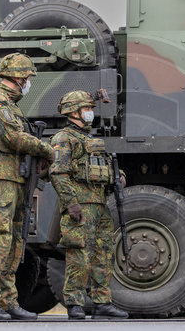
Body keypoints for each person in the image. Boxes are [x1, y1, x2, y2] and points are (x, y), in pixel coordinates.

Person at [0, 53, 54, 320]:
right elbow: (14, 138)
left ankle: (9, 301)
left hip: (15, 178)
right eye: (29, 78)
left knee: (14, 241)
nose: (30, 82)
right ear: (19, 77)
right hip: (0, 177)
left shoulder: (11, 105)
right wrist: (48, 149)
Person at [49, 90, 129, 320]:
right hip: (80, 206)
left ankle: (102, 302)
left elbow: (102, 168)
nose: (90, 113)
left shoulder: (90, 140)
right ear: (74, 112)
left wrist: (119, 176)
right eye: (86, 109)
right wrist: (71, 203)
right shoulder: (64, 139)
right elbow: (59, 173)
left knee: (103, 254)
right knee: (79, 255)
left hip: (100, 205)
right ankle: (74, 303)